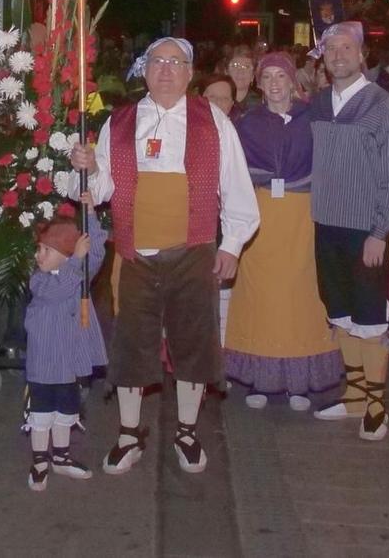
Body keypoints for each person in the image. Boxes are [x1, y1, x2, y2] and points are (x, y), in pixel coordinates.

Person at [69, 37, 259, 476]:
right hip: (136, 254)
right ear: (145, 70)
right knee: (132, 344)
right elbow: (100, 192)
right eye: (158, 62)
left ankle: (188, 431)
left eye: (176, 62)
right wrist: (88, 168)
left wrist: (231, 245)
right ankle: (129, 434)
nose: (167, 70)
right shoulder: (119, 122)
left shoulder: (213, 121)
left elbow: (236, 185)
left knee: (193, 344)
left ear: (190, 72)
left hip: (193, 252)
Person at [306, 22, 389, 441]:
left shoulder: (385, 108)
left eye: (346, 48)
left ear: (362, 54)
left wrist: (379, 231)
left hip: (365, 230)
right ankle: (351, 396)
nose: (338, 55)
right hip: (326, 225)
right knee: (342, 316)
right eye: (330, 49)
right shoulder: (316, 105)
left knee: (371, 319)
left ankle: (375, 404)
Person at [225, 52, 344, 410]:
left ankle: (299, 384)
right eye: (268, 77)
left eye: (282, 76)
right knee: (261, 297)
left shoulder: (315, 118)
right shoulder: (247, 123)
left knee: (299, 296)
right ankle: (261, 381)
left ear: (293, 81)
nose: (275, 83)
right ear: (259, 85)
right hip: (260, 216)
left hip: (302, 216)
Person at [24, 200, 107, 491]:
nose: (39, 255)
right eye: (39, 249)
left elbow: (95, 252)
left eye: (46, 250)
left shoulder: (77, 273)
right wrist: (75, 261)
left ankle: (60, 457)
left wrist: (91, 214)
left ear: (64, 254)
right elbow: (58, 292)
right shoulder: (40, 281)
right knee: (42, 413)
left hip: (69, 362)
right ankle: (39, 462)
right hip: (44, 364)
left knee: (66, 412)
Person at [222, 46, 258, 116]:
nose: (240, 71)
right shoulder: (215, 102)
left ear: (253, 75)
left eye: (247, 67)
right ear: (226, 72)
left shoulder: (261, 106)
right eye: (235, 66)